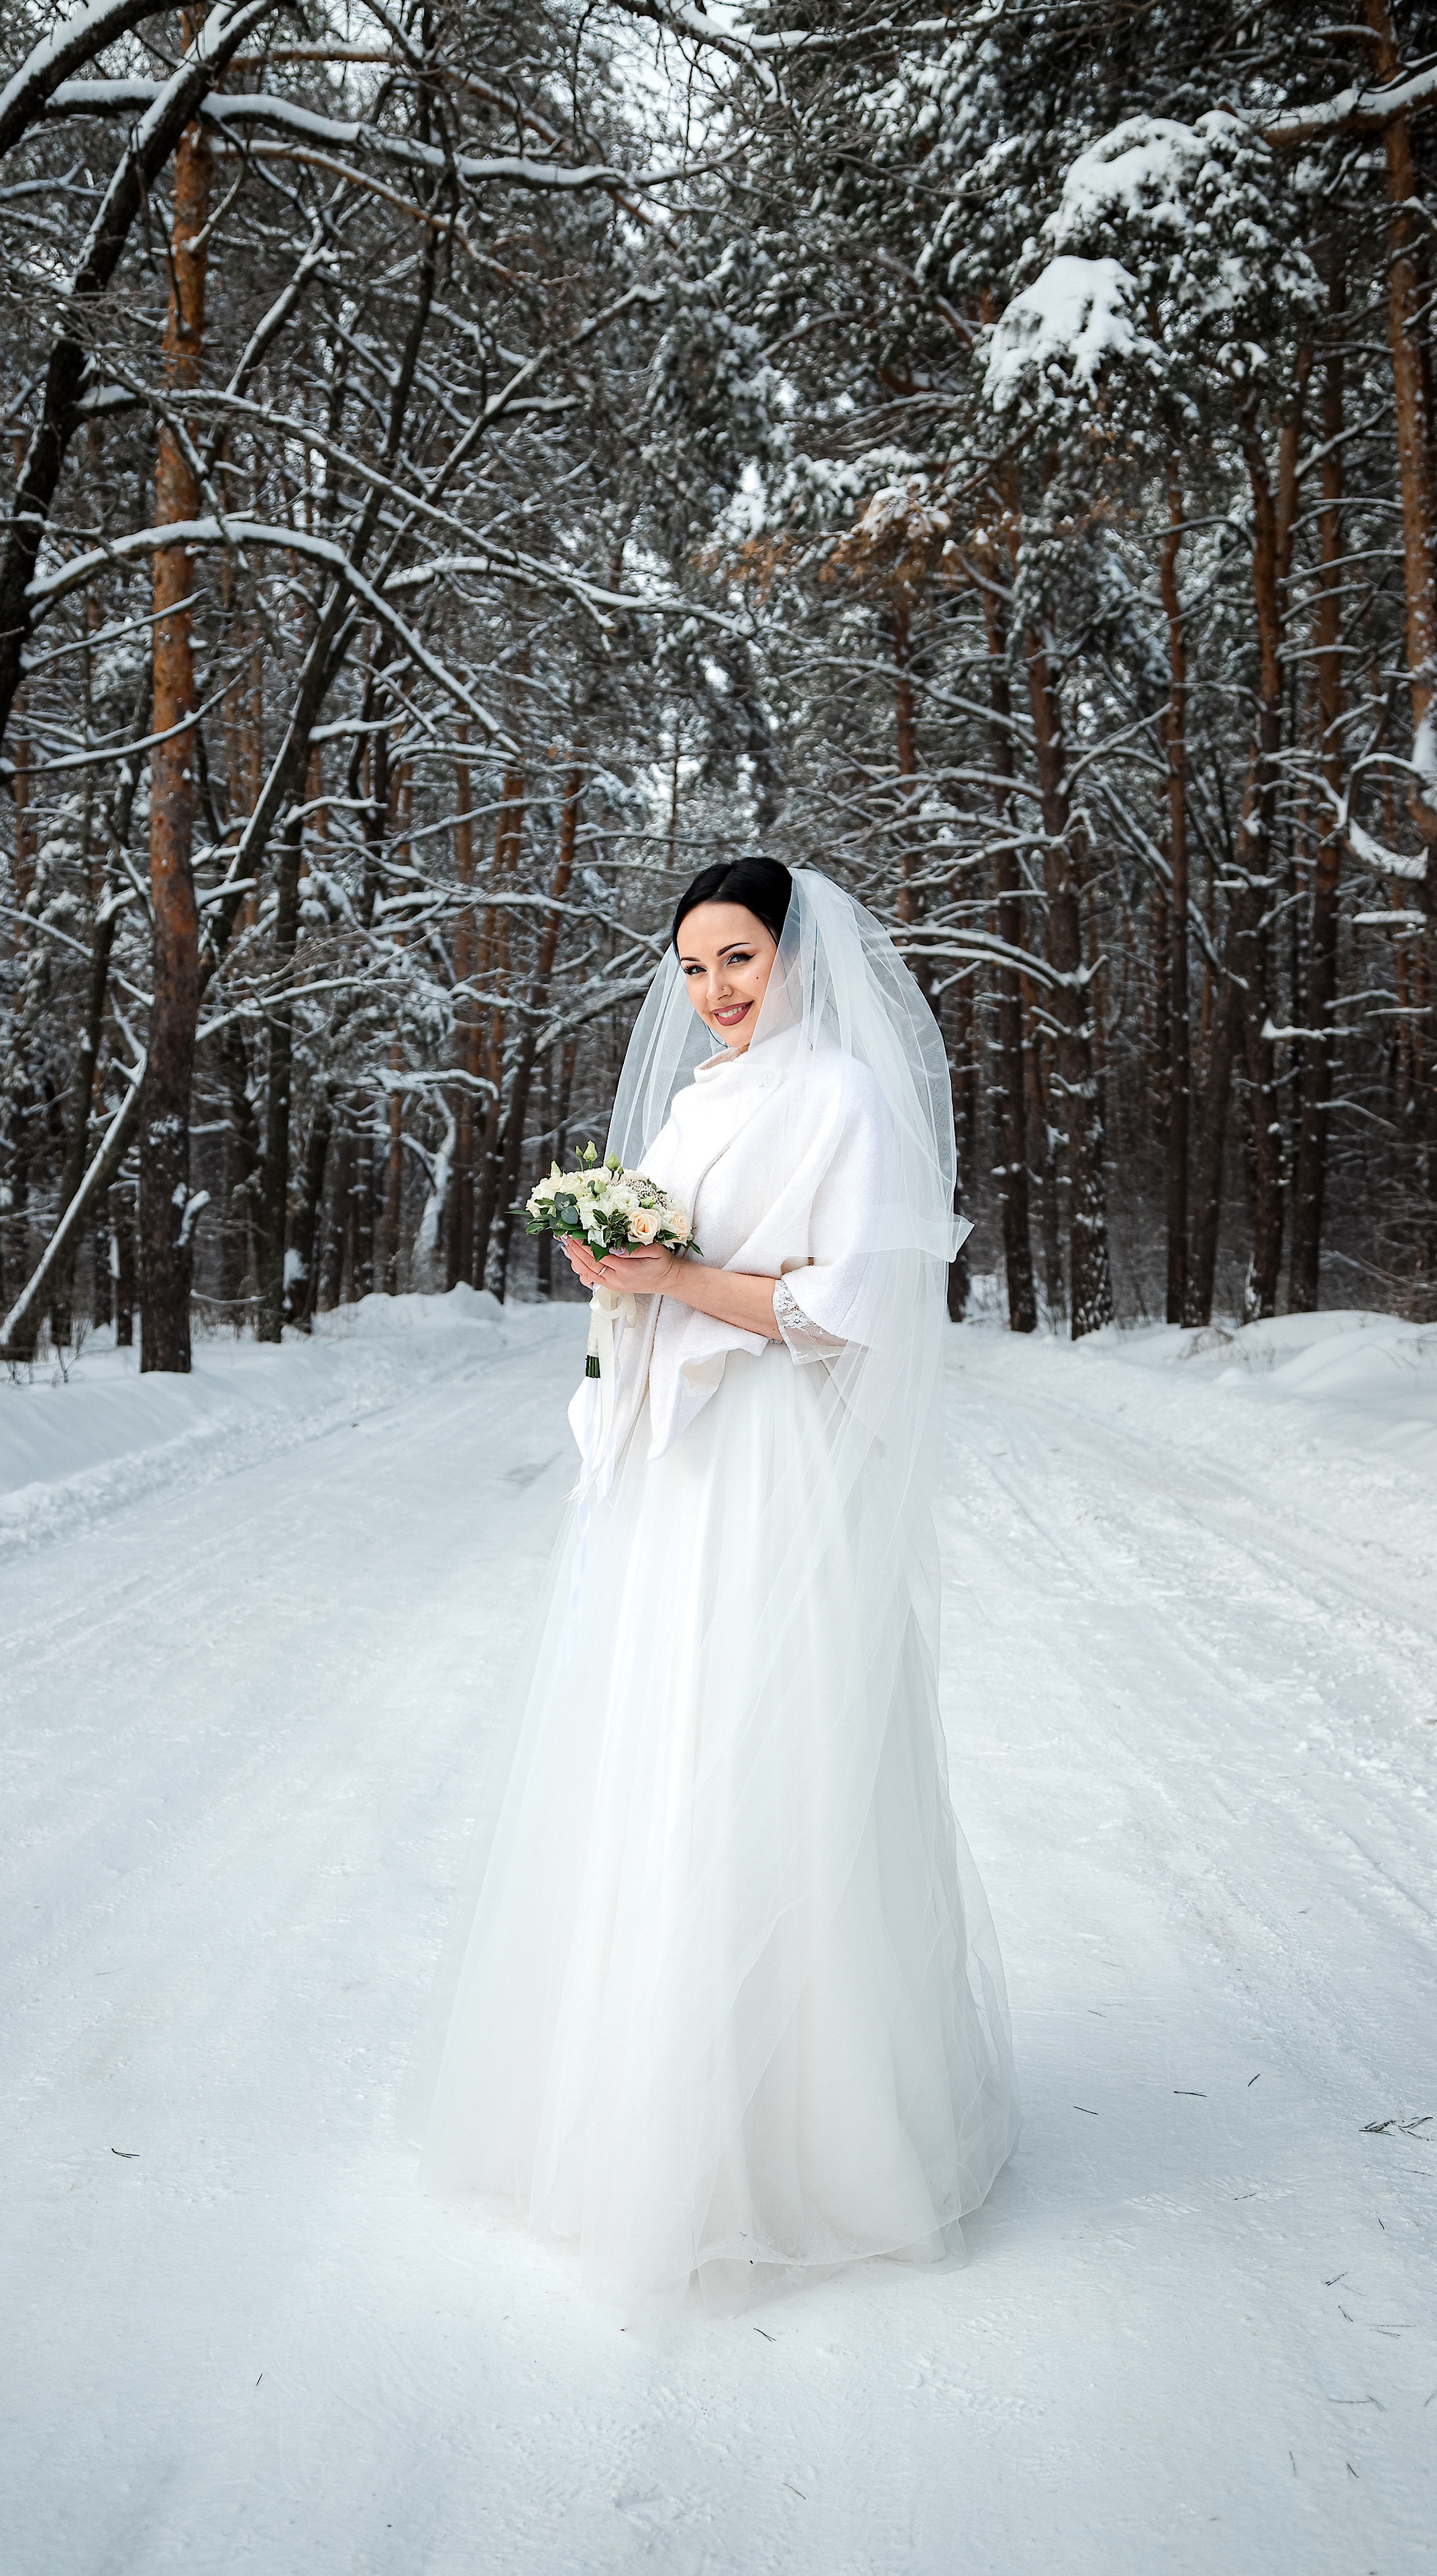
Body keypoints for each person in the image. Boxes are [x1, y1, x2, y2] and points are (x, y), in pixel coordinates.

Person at [418, 858, 1020, 2318]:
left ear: (798, 955)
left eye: (738, 959)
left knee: (773, 1750)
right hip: (680, 1466)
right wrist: (613, 1273)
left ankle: (800, 2137)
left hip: (772, 1464)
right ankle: (641, 2103)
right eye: (692, 968)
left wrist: (672, 1284)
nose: (714, 992)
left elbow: (846, 1306)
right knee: (660, 1743)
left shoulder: (846, 1099)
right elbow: (671, 1261)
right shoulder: (697, 1098)